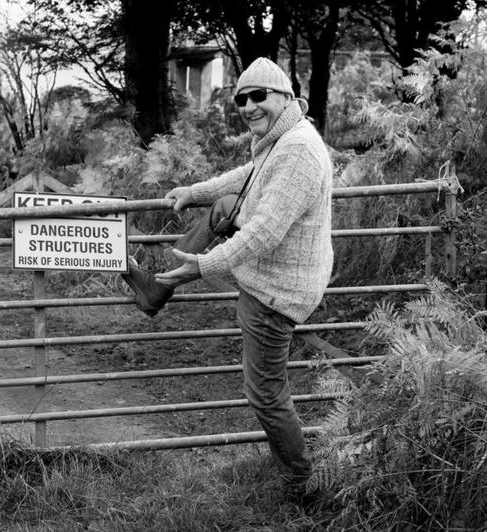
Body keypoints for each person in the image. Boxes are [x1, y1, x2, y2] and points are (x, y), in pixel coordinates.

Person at [121, 57, 334, 492]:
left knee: (266, 394)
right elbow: (246, 177)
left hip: (277, 292)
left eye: (260, 96)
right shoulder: (281, 139)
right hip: (276, 279)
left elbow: (264, 233)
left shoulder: (297, 150)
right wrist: (194, 192)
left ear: (285, 97)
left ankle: (300, 484)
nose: (250, 106)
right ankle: (157, 289)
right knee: (223, 205)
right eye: (242, 99)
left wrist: (205, 266)